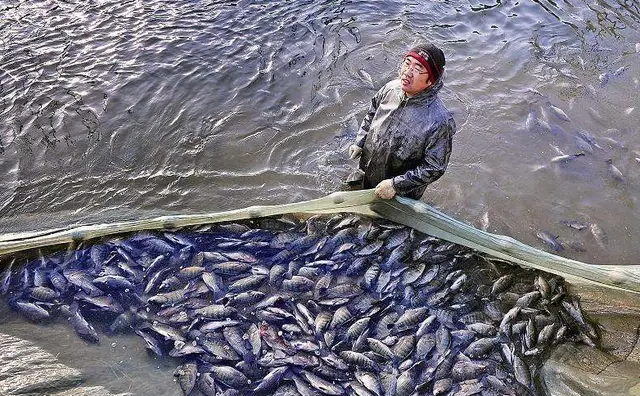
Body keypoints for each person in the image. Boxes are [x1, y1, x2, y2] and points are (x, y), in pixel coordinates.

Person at [347, 42, 456, 200]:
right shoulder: (390, 89)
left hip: (399, 194)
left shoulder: (440, 121)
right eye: (407, 63)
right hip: (366, 171)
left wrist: (395, 185)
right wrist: (360, 141)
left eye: (418, 68)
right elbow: (371, 113)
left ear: (430, 81)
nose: (408, 72)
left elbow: (434, 167)